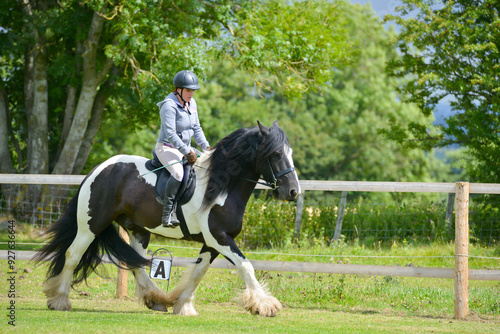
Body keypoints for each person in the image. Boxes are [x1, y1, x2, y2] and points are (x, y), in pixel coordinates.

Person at [154, 70, 210, 228]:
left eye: (193, 90)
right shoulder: (169, 105)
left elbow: (197, 128)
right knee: (178, 173)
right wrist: (187, 151)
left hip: (186, 148)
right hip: (166, 148)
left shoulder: (192, 104)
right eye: (188, 90)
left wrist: (206, 147)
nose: (191, 93)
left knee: (209, 163)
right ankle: (167, 214)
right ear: (178, 90)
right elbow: (170, 134)